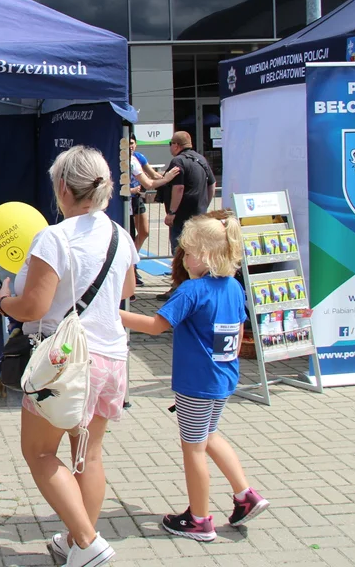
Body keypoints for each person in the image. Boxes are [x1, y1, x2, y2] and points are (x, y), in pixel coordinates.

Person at [0, 146, 138, 567]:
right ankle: (77, 546)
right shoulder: (120, 234)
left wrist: (5, 299)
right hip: (111, 357)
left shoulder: (54, 238)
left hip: (64, 364)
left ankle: (89, 542)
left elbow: (33, 307)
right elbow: (127, 289)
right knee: (87, 455)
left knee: (39, 453)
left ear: (62, 187)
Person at [119, 214, 269, 542]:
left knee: (194, 448)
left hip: (197, 384)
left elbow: (157, 326)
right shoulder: (233, 287)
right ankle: (245, 495)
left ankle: (200, 519)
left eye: (186, 252)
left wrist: (110, 314)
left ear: (204, 255)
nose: (182, 258)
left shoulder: (192, 290)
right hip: (223, 379)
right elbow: (239, 329)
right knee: (210, 435)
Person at [157, 131, 216, 300]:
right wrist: (204, 204)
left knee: (179, 252)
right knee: (195, 251)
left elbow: (178, 188)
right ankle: (195, 286)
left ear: (176, 145)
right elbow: (212, 184)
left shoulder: (178, 161)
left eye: (170, 144)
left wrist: (172, 212)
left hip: (181, 217)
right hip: (198, 216)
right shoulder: (201, 160)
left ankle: (178, 288)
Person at [128, 138, 180, 286]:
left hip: (136, 199)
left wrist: (167, 178)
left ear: (136, 144)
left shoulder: (137, 158)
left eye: (132, 143)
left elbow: (152, 176)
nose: (131, 146)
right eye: (128, 143)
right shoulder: (120, 157)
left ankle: (132, 260)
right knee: (128, 236)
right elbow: (148, 183)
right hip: (124, 200)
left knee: (144, 232)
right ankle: (131, 268)